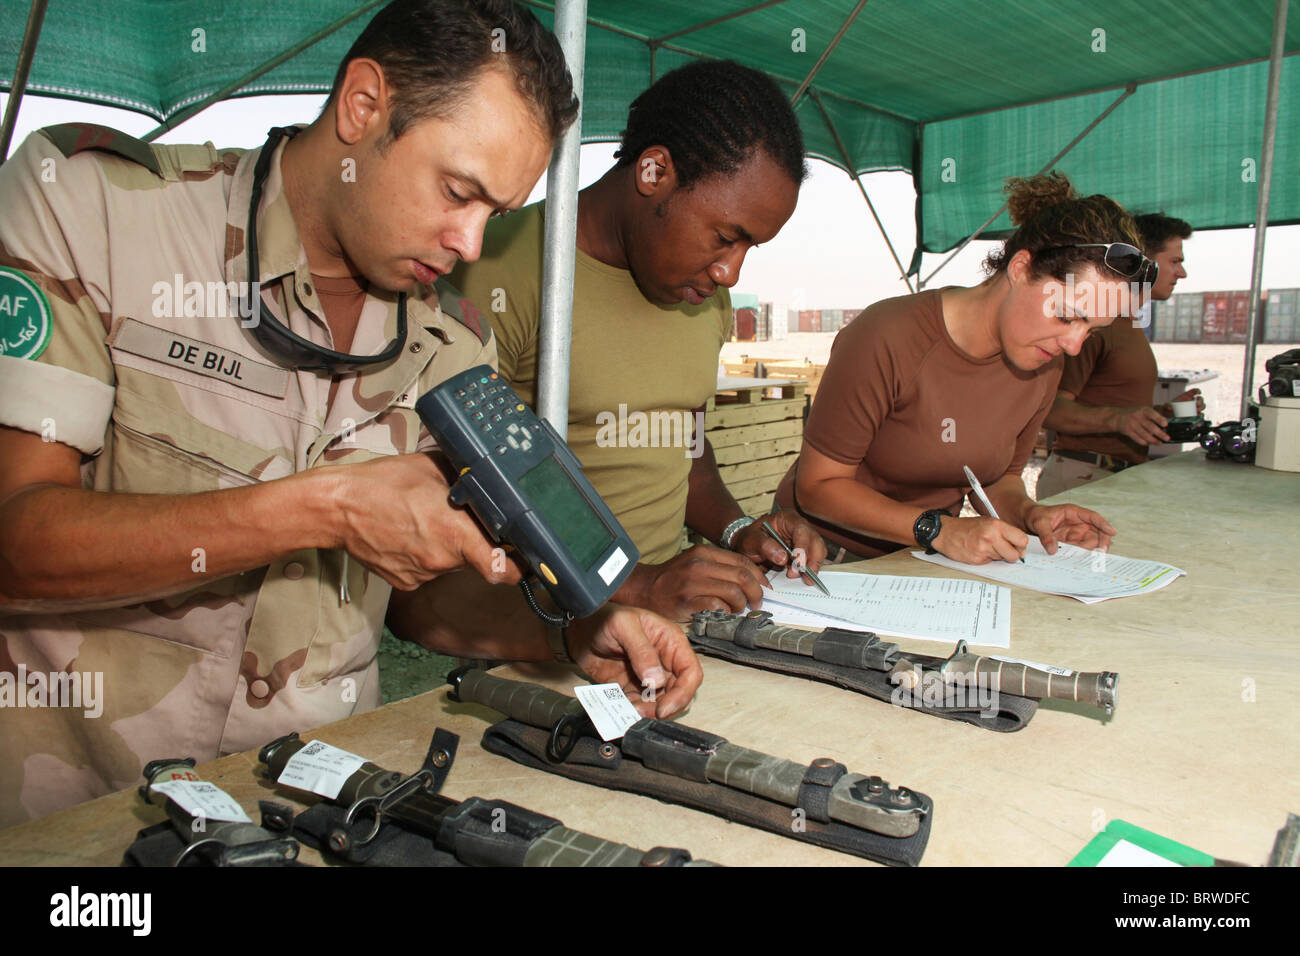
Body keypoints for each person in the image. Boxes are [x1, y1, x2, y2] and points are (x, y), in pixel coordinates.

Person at [0, 0, 699, 828]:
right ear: (364, 105)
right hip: (78, 821)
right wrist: (324, 509)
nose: (471, 245)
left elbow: (423, 604)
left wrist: (566, 636)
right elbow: (17, 539)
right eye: (457, 191)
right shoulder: (98, 214)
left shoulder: (451, 352)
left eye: (496, 216)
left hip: (311, 818)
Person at [444, 59, 827, 624]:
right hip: (534, 629)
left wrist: (739, 529)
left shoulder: (704, 299)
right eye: (726, 237)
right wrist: (637, 585)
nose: (732, 275)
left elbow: (684, 444)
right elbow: (448, 497)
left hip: (671, 622)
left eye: (751, 248)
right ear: (654, 172)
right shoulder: (497, 270)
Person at [773, 172, 1128, 565]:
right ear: (1021, 268)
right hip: (821, 558)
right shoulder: (886, 336)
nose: (1074, 346)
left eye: (1092, 332)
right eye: (1065, 316)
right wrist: (937, 529)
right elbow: (819, 485)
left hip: (922, 560)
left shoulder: (1045, 363)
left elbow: (997, 480)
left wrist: (1032, 515)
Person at [1037, 213, 1200, 497]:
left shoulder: (1130, 324)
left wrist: (1162, 415)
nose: (1182, 273)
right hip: (1082, 478)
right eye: (1175, 261)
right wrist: (1118, 419)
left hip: (1113, 478)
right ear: (1145, 260)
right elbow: (1049, 411)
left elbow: (1118, 408)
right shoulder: (1098, 325)